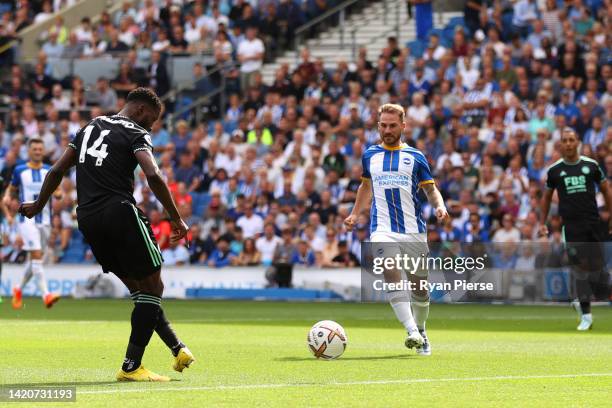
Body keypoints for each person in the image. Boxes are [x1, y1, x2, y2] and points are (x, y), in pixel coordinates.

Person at [19, 88, 193, 381]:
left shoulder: (89, 127)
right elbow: (152, 175)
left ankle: (177, 348)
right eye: (150, 120)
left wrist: (38, 205)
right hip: (119, 212)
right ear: (140, 111)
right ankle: (131, 367)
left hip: (86, 218)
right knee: (154, 288)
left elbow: (57, 170)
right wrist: (176, 218)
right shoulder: (136, 132)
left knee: (142, 291)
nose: (150, 127)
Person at [344, 103, 448, 356]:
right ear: (378, 125)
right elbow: (365, 187)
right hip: (382, 228)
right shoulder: (370, 155)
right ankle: (411, 330)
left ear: (403, 126)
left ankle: (421, 330)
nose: (387, 130)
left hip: (413, 229)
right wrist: (355, 213)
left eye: (392, 125)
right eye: (383, 125)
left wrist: (440, 206)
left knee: (420, 289)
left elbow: (430, 189)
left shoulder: (416, 157)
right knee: (390, 269)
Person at [540, 128, 612, 331]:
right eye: (565, 140)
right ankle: (586, 316)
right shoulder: (555, 170)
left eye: (572, 140)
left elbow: (606, 189)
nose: (569, 144)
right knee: (579, 269)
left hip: (593, 223)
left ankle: (580, 302)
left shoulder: (591, 165)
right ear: (561, 144)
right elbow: (545, 197)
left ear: (578, 141)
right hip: (571, 226)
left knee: (599, 271)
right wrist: (541, 222)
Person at [3, 139, 60, 309]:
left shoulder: (48, 170)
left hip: (45, 220)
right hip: (26, 219)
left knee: (36, 260)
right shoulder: (20, 170)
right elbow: (12, 188)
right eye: (34, 149)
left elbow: (56, 190)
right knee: (36, 256)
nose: (37, 151)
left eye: (39, 149)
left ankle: (18, 289)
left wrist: (59, 195)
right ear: (28, 151)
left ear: (43, 152)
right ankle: (46, 295)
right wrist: (7, 196)